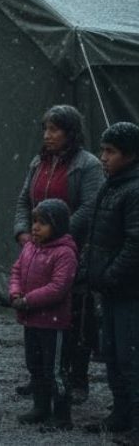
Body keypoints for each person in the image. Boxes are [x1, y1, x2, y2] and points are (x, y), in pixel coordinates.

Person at [12, 105, 104, 403]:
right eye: (45, 129)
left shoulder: (87, 165)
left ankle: (76, 379)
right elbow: (25, 200)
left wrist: (57, 233)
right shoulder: (39, 162)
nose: (48, 135)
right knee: (38, 314)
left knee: (75, 317)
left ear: (70, 132)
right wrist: (24, 233)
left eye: (54, 129)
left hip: (70, 250)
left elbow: (90, 207)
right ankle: (41, 377)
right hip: (37, 251)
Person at [79, 121, 139, 440]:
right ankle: (121, 413)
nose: (103, 157)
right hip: (111, 290)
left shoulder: (133, 190)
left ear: (129, 155)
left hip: (129, 291)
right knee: (113, 355)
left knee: (131, 357)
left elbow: (135, 244)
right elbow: (98, 234)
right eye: (102, 150)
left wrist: (111, 275)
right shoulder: (112, 184)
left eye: (110, 151)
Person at [9, 199, 78, 430]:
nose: (35, 227)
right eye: (34, 222)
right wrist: (15, 292)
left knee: (55, 370)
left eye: (43, 223)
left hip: (53, 323)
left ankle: (62, 415)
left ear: (57, 226)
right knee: (35, 365)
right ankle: (40, 407)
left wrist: (27, 300)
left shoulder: (65, 254)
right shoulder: (30, 247)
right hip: (32, 320)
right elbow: (17, 270)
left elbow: (58, 288)